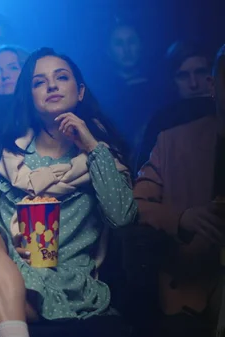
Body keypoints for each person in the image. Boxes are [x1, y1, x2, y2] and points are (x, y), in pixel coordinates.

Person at [0, 47, 136, 337]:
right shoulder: (10, 158)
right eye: (39, 82)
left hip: (66, 283)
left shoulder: (101, 157)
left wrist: (92, 147)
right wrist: (10, 242)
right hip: (7, 270)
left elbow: (123, 218)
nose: (52, 85)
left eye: (61, 77)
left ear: (80, 91)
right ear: (30, 98)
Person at [134, 44, 225, 337]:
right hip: (193, 282)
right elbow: (134, 205)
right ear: (214, 85)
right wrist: (182, 218)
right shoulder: (173, 141)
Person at [134, 40, 215, 171]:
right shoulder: (161, 121)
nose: (194, 83)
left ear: (212, 75)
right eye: (183, 76)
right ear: (172, 81)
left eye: (200, 72)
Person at [95, 21, 166, 156]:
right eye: (119, 43)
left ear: (141, 45)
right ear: (109, 51)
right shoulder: (102, 94)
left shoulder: (160, 88)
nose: (126, 50)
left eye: (131, 42)